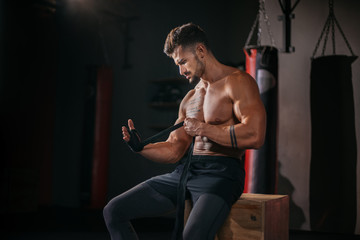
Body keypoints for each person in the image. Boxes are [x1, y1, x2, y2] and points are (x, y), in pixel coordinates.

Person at [103, 22, 266, 240]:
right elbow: (174, 150)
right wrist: (140, 147)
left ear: (200, 50)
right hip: (185, 173)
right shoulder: (190, 98)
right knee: (114, 211)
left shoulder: (237, 82)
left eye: (182, 62)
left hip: (221, 175)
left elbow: (255, 134)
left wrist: (203, 129)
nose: (181, 70)